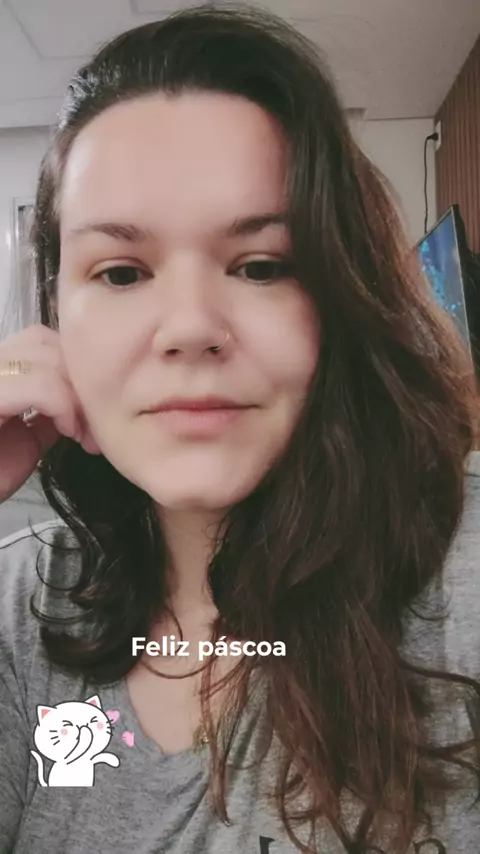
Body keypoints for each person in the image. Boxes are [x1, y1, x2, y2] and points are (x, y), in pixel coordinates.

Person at [0, 3, 479, 853]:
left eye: (261, 266)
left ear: (339, 301)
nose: (191, 326)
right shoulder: (21, 602)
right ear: (54, 315)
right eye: (121, 273)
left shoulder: (461, 581)